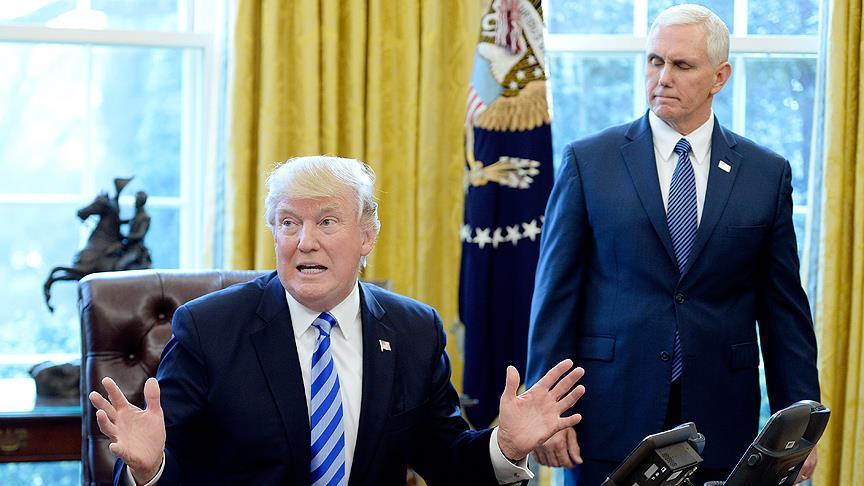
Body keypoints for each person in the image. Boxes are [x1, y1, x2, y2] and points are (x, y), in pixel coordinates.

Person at [90, 155, 587, 486]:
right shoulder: (208, 329)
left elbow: (448, 462)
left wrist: (505, 447)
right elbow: (168, 463)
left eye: (327, 222)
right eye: (289, 223)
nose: (305, 242)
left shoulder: (414, 331)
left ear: (367, 236)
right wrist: (149, 468)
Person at [525, 4, 820, 485]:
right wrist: (547, 409)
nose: (663, 77)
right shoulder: (589, 161)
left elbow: (784, 310)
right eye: (655, 61)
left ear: (719, 77)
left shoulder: (765, 174)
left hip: (722, 421)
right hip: (608, 414)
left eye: (681, 65)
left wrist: (800, 425)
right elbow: (554, 297)